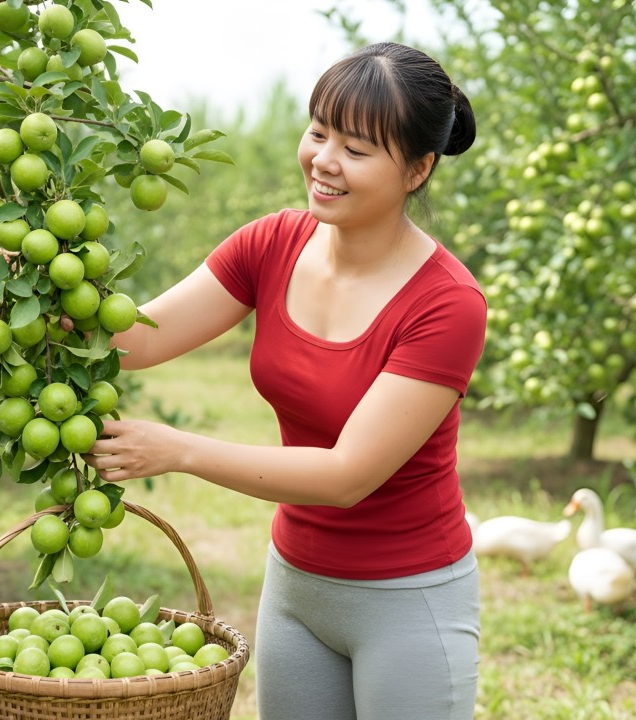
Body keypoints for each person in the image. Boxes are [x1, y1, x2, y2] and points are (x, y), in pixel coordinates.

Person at [84, 41, 485, 719]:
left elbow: (348, 476)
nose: (323, 160)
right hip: (297, 588)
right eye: (318, 131)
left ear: (417, 170)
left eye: (356, 150)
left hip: (409, 598)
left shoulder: (446, 305)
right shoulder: (270, 244)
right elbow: (131, 340)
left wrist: (178, 451)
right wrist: (41, 285)